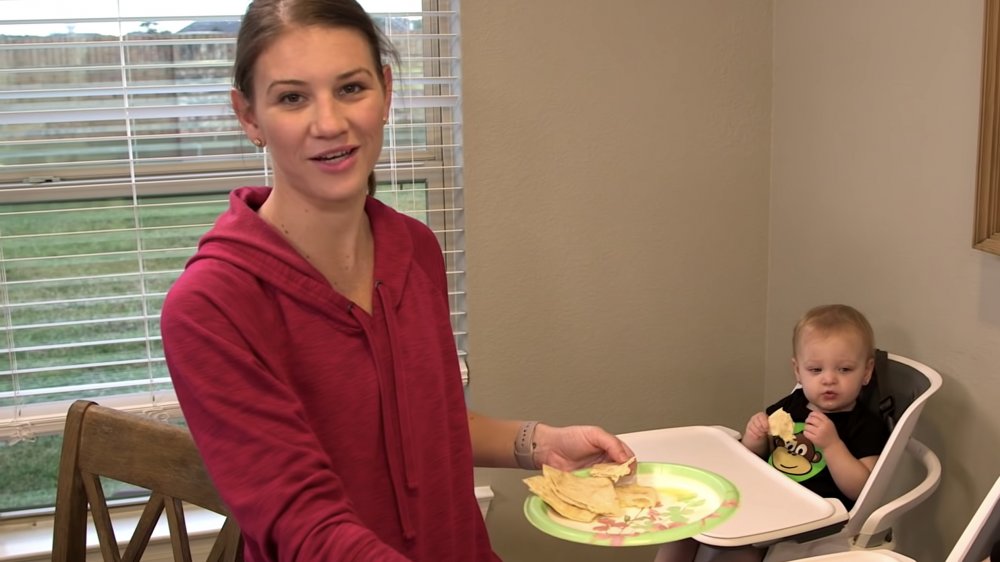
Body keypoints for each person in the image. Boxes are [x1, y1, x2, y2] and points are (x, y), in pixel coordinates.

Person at [159, 1, 635, 560]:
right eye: (292, 97)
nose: (329, 123)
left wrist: (541, 443)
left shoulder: (414, 251)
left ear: (385, 92)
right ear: (248, 116)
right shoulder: (212, 307)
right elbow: (304, 527)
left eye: (351, 88)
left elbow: (424, 421)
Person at [655, 304, 890, 562]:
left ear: (866, 372)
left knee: (738, 550)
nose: (829, 379)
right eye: (815, 370)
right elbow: (757, 457)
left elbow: (862, 489)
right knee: (688, 523)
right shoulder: (791, 406)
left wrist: (833, 446)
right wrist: (754, 440)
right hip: (767, 494)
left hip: (810, 514)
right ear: (798, 371)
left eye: (844, 369)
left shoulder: (865, 425)